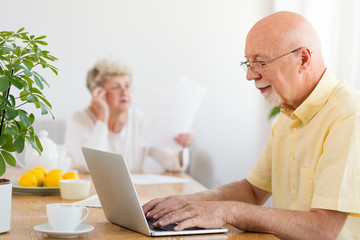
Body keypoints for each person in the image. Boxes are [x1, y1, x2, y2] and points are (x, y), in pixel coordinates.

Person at [143, 11, 360, 239]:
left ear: (303, 59)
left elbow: (323, 230)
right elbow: (252, 190)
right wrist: (187, 202)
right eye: (248, 63)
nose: (249, 75)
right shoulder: (288, 113)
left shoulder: (349, 116)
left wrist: (228, 211)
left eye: (261, 62)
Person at [64, 59, 194, 173]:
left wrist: (182, 145)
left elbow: (173, 163)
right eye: (116, 87)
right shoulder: (79, 119)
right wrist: (102, 119)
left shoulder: (139, 120)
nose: (124, 92)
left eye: (127, 86)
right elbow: (88, 166)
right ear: (98, 93)